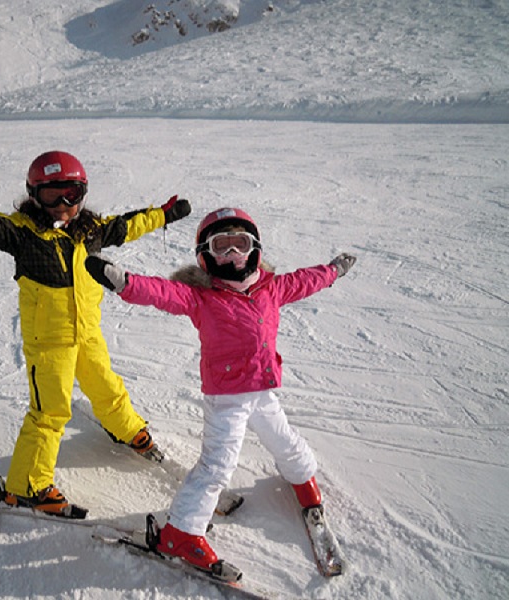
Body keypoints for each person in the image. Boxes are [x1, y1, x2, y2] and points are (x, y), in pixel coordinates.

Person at [0, 150, 191, 516]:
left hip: (86, 332)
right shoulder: (22, 233)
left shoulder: (91, 230)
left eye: (72, 193)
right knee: (49, 410)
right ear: (34, 195)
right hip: (49, 341)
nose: (64, 204)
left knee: (105, 384)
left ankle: (126, 428)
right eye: (53, 195)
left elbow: (128, 225)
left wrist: (163, 215)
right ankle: (28, 487)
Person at [85, 207, 356, 571]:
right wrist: (124, 281)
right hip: (227, 397)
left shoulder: (270, 288)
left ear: (255, 249)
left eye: (239, 245)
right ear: (205, 254)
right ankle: (181, 532)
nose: (231, 255)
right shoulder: (202, 296)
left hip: (262, 389)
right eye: (220, 246)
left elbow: (305, 280)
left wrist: (332, 271)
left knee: (285, 440)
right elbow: (162, 292)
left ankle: (302, 480)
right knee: (217, 466)